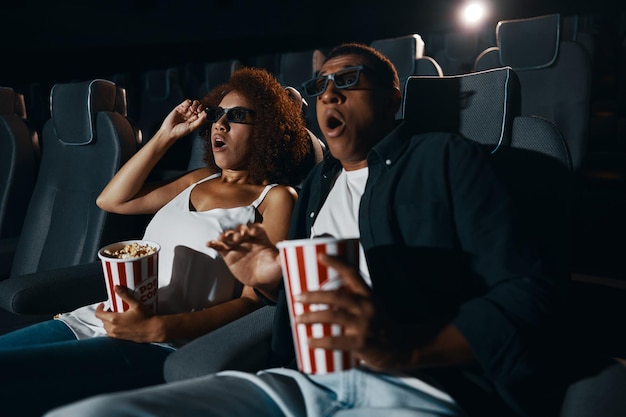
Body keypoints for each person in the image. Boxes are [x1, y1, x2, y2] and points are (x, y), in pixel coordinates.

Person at [45, 43, 568, 417]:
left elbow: (533, 294)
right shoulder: (319, 184)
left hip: (417, 387)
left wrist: (403, 347)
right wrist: (270, 272)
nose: (330, 95)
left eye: (348, 81)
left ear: (392, 100)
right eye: (321, 85)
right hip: (297, 381)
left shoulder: (443, 159)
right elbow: (281, 294)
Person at [0, 67, 312, 417]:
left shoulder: (276, 198)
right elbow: (112, 200)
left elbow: (257, 301)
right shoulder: (196, 179)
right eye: (216, 115)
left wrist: (157, 327)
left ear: (269, 128)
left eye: (237, 116)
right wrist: (166, 134)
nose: (220, 125)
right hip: (93, 319)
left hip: (163, 341)